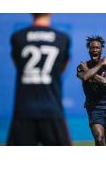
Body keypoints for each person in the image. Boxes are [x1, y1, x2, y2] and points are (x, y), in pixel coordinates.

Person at [7, 13, 71, 146]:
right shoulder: (62, 38)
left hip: (23, 111)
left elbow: (17, 64)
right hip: (52, 110)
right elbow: (61, 68)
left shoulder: (17, 37)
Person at [77, 36, 106, 146]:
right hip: (94, 108)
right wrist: (99, 64)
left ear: (101, 50)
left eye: (97, 47)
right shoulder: (82, 66)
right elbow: (84, 77)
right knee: (99, 138)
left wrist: (90, 71)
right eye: (92, 48)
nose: (95, 50)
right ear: (89, 50)